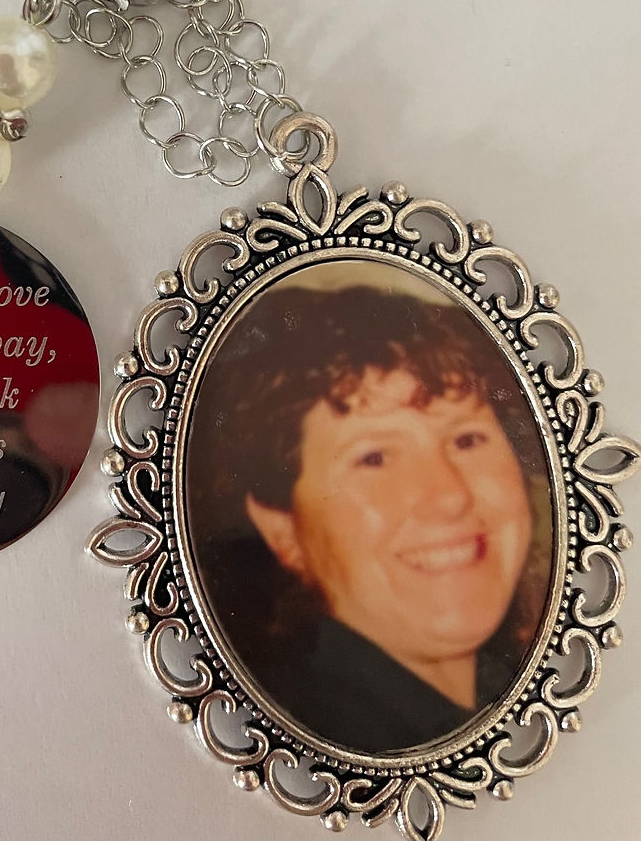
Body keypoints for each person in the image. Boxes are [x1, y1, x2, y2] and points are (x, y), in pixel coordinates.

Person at [186, 274, 552, 753]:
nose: (449, 496)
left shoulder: (510, 692)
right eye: (374, 458)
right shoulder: (318, 743)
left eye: (466, 439)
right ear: (283, 530)